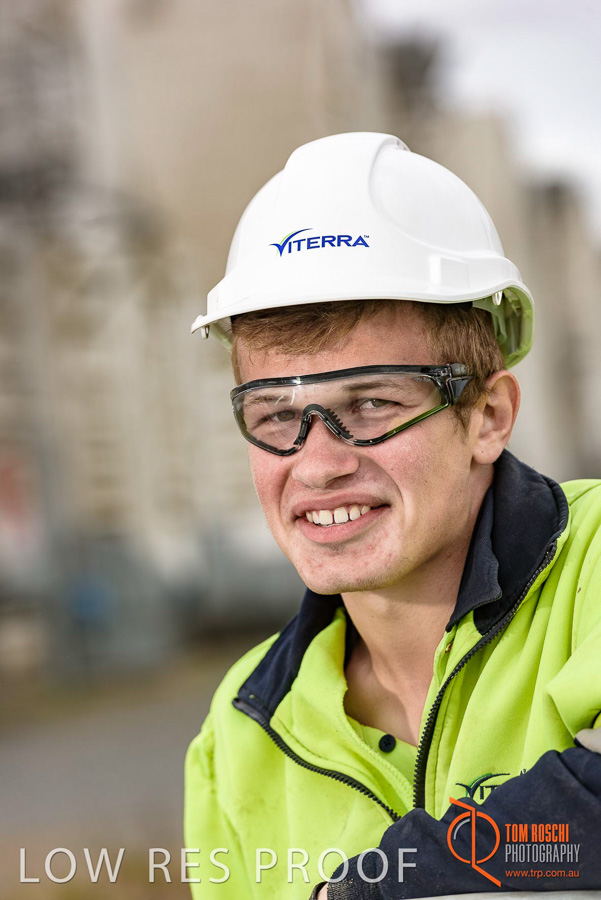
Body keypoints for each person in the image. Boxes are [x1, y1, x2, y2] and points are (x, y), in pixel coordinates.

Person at [184, 133, 601, 899]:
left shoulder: (594, 564)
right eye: (275, 414)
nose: (316, 464)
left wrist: (373, 886)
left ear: (487, 416)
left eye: (371, 403)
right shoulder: (241, 730)